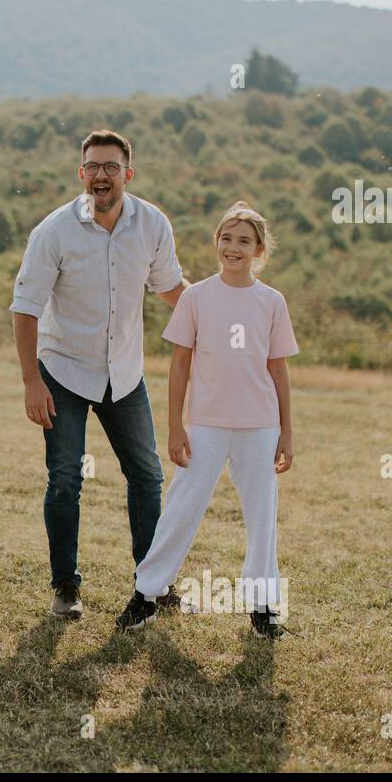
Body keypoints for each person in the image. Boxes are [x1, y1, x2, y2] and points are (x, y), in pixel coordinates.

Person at [11, 129, 188, 621]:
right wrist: (31, 381)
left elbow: (171, 288)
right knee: (66, 479)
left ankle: (152, 585)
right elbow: (25, 309)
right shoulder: (53, 231)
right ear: (81, 174)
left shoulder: (152, 225)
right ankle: (66, 587)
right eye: (92, 166)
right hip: (62, 371)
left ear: (127, 174)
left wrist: (226, 314)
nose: (101, 175)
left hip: (124, 375)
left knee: (148, 476)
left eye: (111, 167)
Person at [118, 201, 298, 638]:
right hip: (206, 425)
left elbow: (278, 369)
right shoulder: (196, 297)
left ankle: (263, 608)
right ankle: (147, 594)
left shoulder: (271, 301)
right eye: (226, 238)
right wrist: (176, 426)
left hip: (259, 427)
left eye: (244, 241)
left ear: (259, 250)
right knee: (181, 508)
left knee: (261, 516)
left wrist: (286, 433)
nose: (233, 247)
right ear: (217, 242)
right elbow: (180, 364)